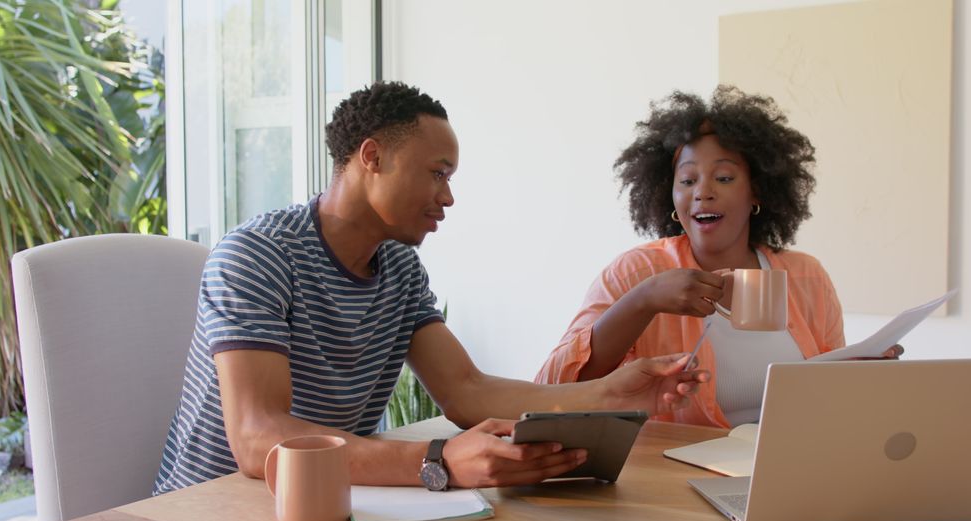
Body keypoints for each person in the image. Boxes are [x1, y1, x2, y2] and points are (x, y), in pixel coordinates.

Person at [154, 82, 707, 494]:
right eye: (438, 173)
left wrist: (607, 396)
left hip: (323, 500)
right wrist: (439, 459)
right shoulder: (259, 255)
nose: (448, 198)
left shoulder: (398, 269)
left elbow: (467, 390)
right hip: (216, 508)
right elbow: (258, 437)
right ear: (372, 157)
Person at [535, 85, 899, 429]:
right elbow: (553, 388)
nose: (703, 192)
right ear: (669, 195)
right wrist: (643, 301)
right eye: (688, 180)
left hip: (782, 467)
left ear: (757, 191)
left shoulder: (805, 275)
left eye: (723, 178)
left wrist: (859, 376)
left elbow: (826, 402)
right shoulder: (638, 270)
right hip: (669, 476)